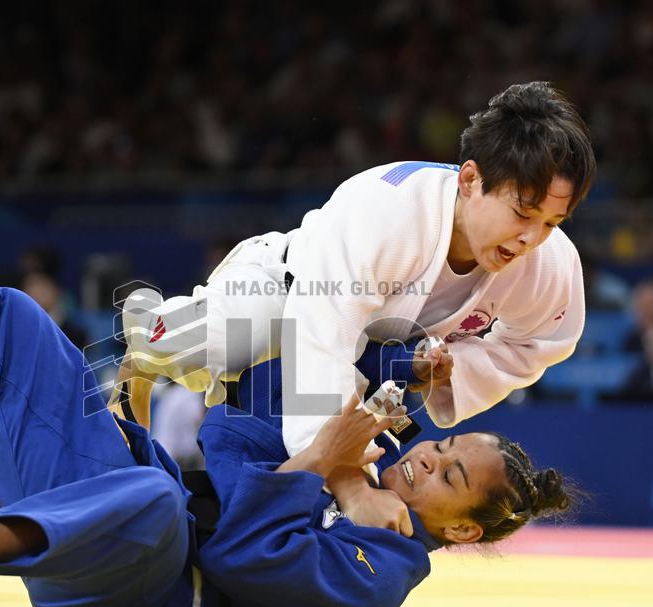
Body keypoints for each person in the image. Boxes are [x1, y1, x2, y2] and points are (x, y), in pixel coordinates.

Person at [0, 288, 573, 607]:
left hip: (141, 588)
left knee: (156, 504)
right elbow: (299, 383)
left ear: (461, 532)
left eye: (449, 479)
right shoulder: (366, 457)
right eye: (439, 448)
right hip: (108, 508)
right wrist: (403, 378)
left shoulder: (379, 571)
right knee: (4, 320)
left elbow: (235, 553)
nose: (426, 463)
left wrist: (326, 465)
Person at [114, 81, 595, 526]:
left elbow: (545, 341)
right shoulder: (387, 211)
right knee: (234, 339)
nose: (532, 238)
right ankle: (148, 333)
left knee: (307, 490)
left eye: (553, 221)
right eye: (523, 212)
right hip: (283, 291)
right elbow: (319, 340)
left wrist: (449, 371)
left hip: (368, 359)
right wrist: (346, 481)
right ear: (470, 180)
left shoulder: (548, 262)